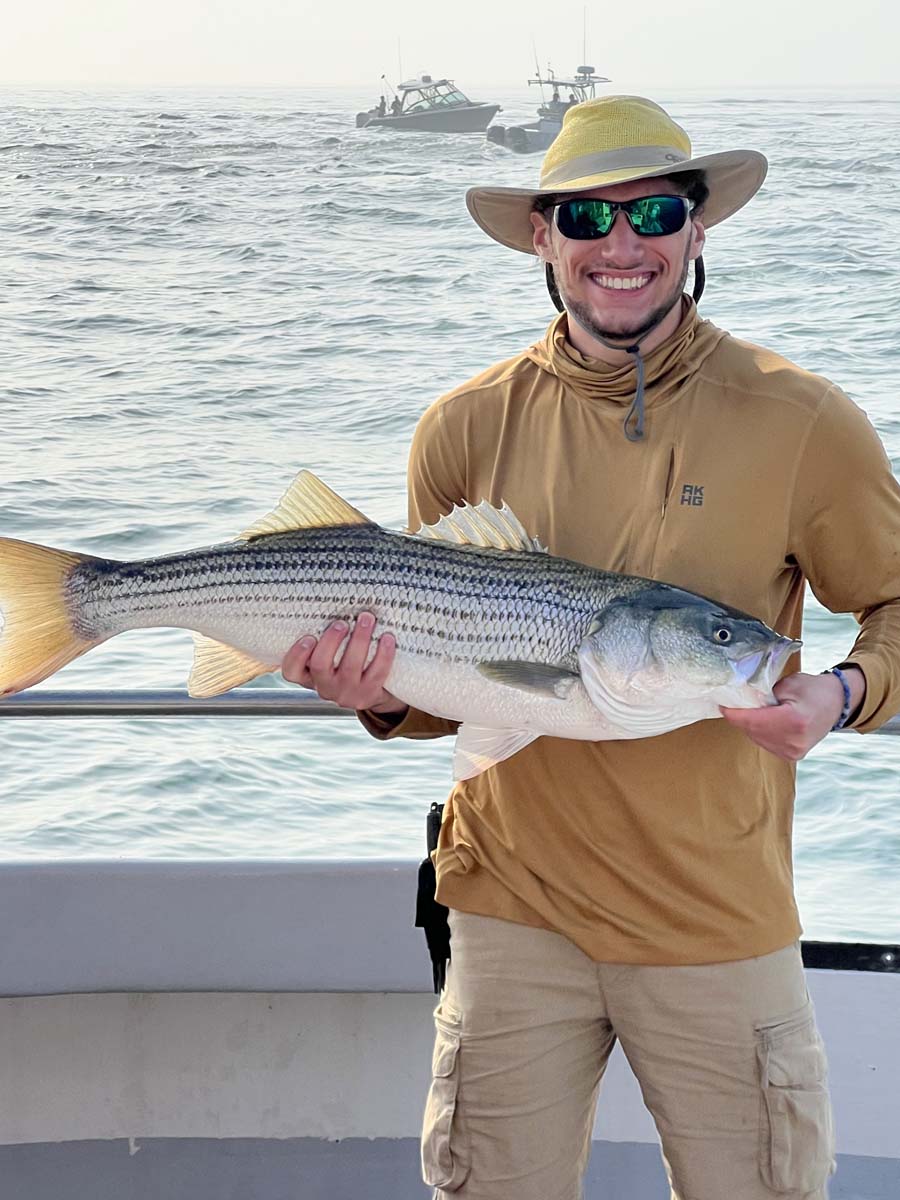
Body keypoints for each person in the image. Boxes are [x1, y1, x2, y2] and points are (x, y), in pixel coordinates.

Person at [282, 95, 900, 1198]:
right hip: (510, 911)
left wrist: (844, 692)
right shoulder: (463, 426)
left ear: (697, 231)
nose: (622, 246)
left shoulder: (803, 420)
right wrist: (375, 695)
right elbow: (447, 679)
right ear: (541, 235)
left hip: (717, 916)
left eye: (656, 212)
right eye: (584, 218)